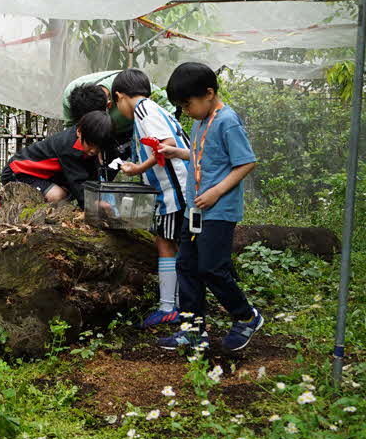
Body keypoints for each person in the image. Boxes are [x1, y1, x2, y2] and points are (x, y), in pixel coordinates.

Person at [154, 62, 263, 354]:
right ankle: (192, 332)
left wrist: (215, 192)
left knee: (213, 269)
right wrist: (179, 152)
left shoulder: (228, 121)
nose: (186, 111)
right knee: (186, 266)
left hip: (218, 211)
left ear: (209, 93)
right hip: (195, 210)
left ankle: (246, 317)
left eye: (188, 104)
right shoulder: (202, 120)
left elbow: (246, 162)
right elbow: (205, 155)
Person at [113, 69, 191, 328]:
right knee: (169, 242)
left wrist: (137, 169)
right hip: (174, 190)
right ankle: (178, 305)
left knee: (167, 244)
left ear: (120, 96)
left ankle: (170, 307)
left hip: (174, 191)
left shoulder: (144, 112)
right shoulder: (152, 109)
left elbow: (166, 145)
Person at [0, 110, 113, 206]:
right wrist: (94, 204)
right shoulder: (68, 148)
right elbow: (79, 184)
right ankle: (5, 202)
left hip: (44, 176)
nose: (93, 150)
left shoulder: (84, 143)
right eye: (90, 144)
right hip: (16, 172)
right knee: (58, 196)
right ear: (79, 132)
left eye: (98, 147)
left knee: (68, 192)